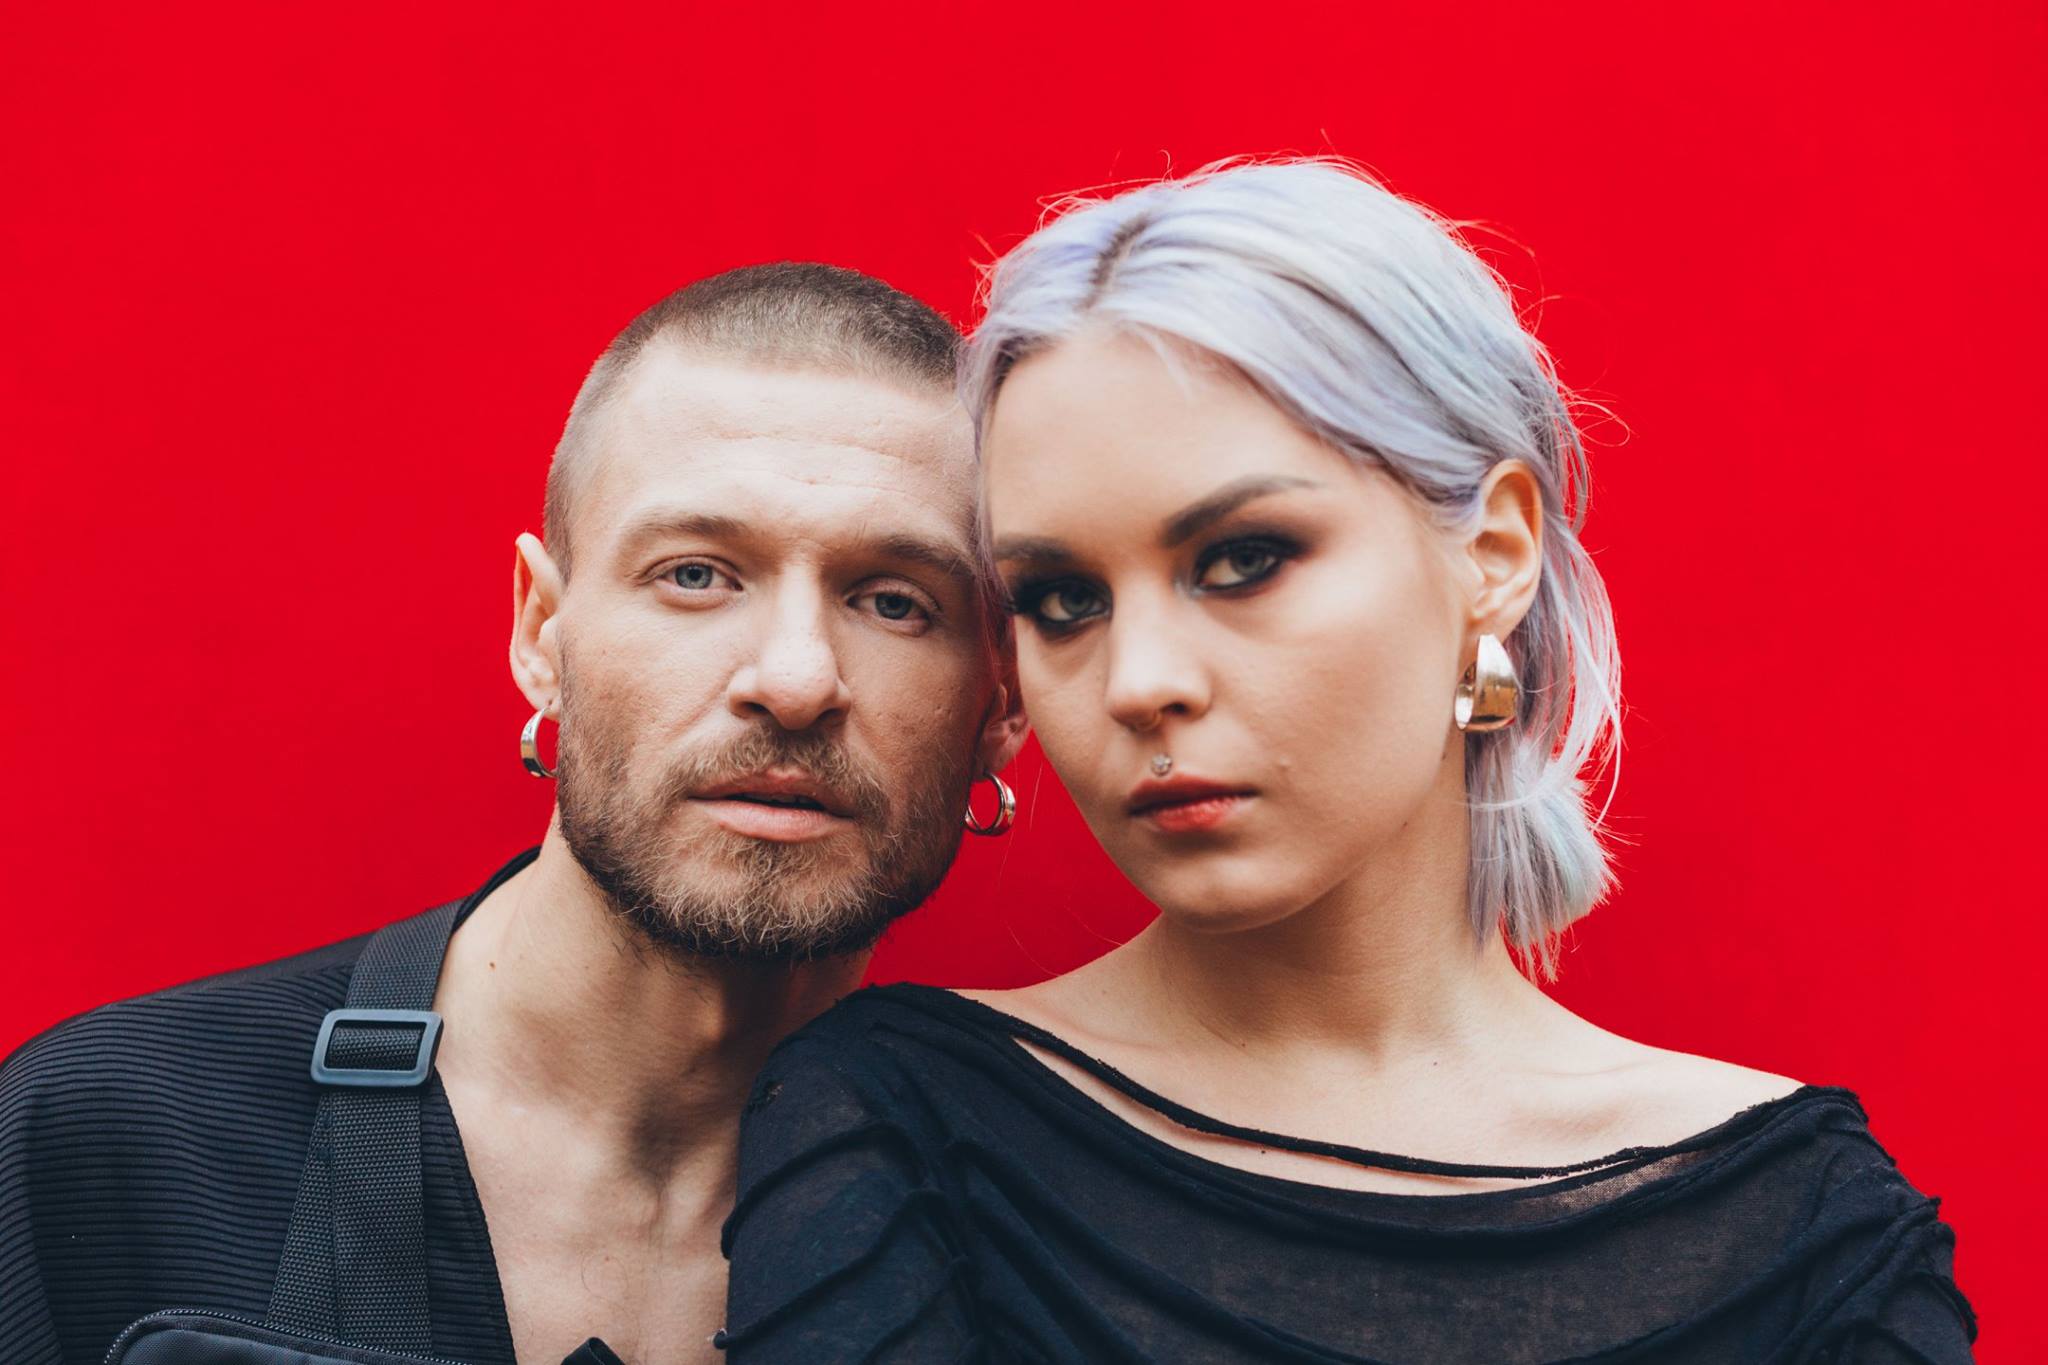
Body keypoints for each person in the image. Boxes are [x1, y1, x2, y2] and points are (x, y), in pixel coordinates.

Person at [718, 164, 1977, 1362]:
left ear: (1491, 556)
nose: (1137, 681)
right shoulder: (900, 1129)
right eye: (1061, 598)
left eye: (1241, 559)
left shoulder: (1808, 1228)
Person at [0, 263, 1028, 1365]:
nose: (793, 680)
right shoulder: (113, 1137)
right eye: (695, 575)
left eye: (894, 602)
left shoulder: (1057, 1232)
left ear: (1004, 700)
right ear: (541, 633)